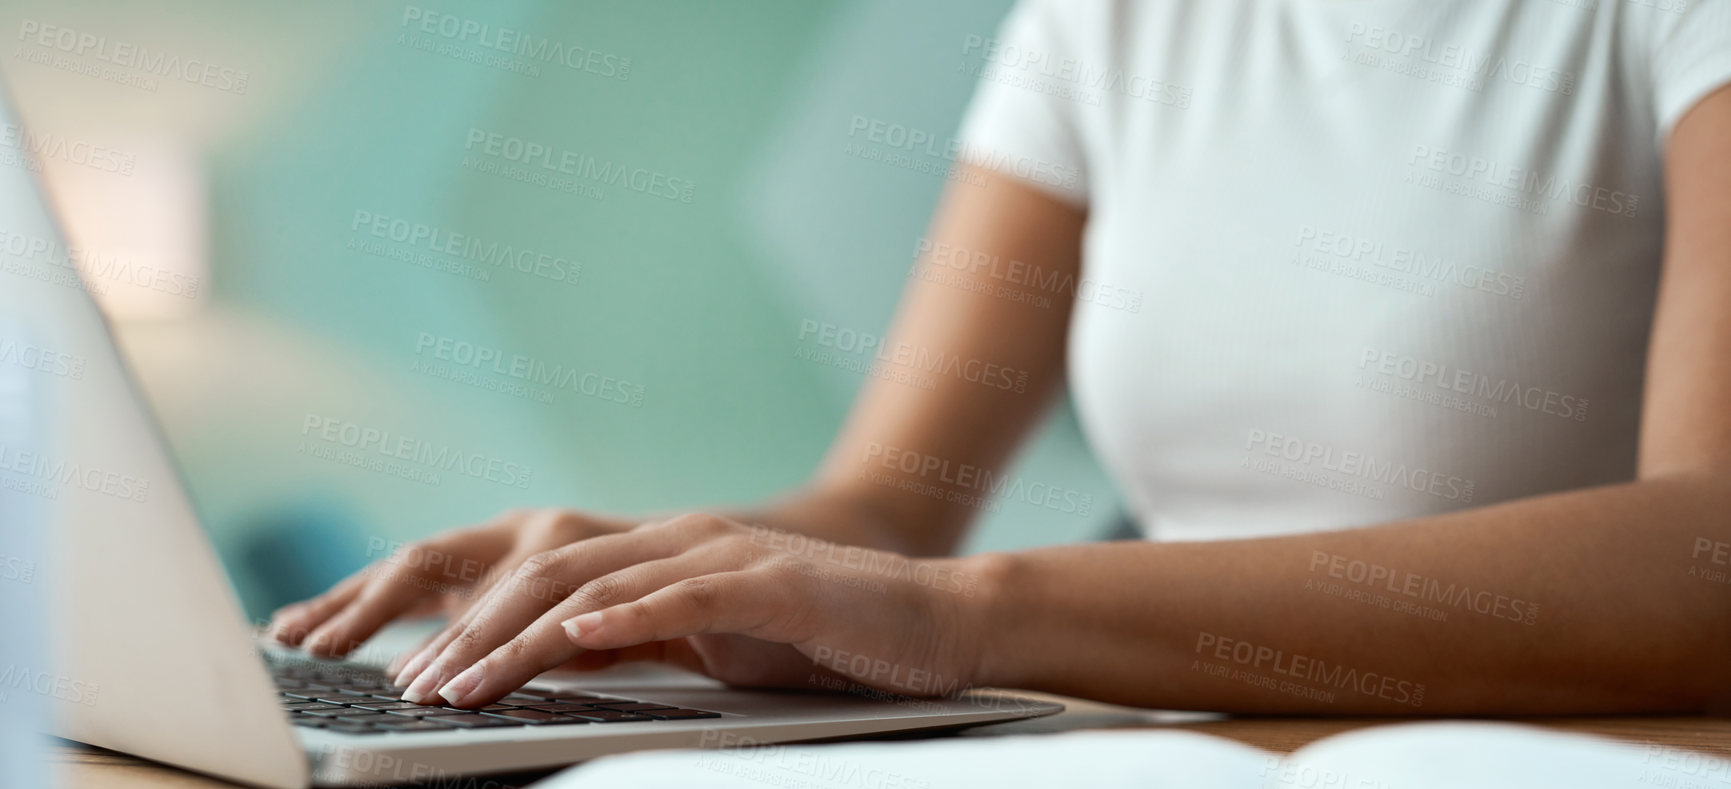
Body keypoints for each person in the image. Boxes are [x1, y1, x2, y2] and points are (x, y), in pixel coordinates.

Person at [271, 0, 1731, 715]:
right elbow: (893, 511)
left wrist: (972, 617)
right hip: (1171, 771)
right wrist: (669, 567)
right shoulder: (1103, 18)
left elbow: (1706, 554)